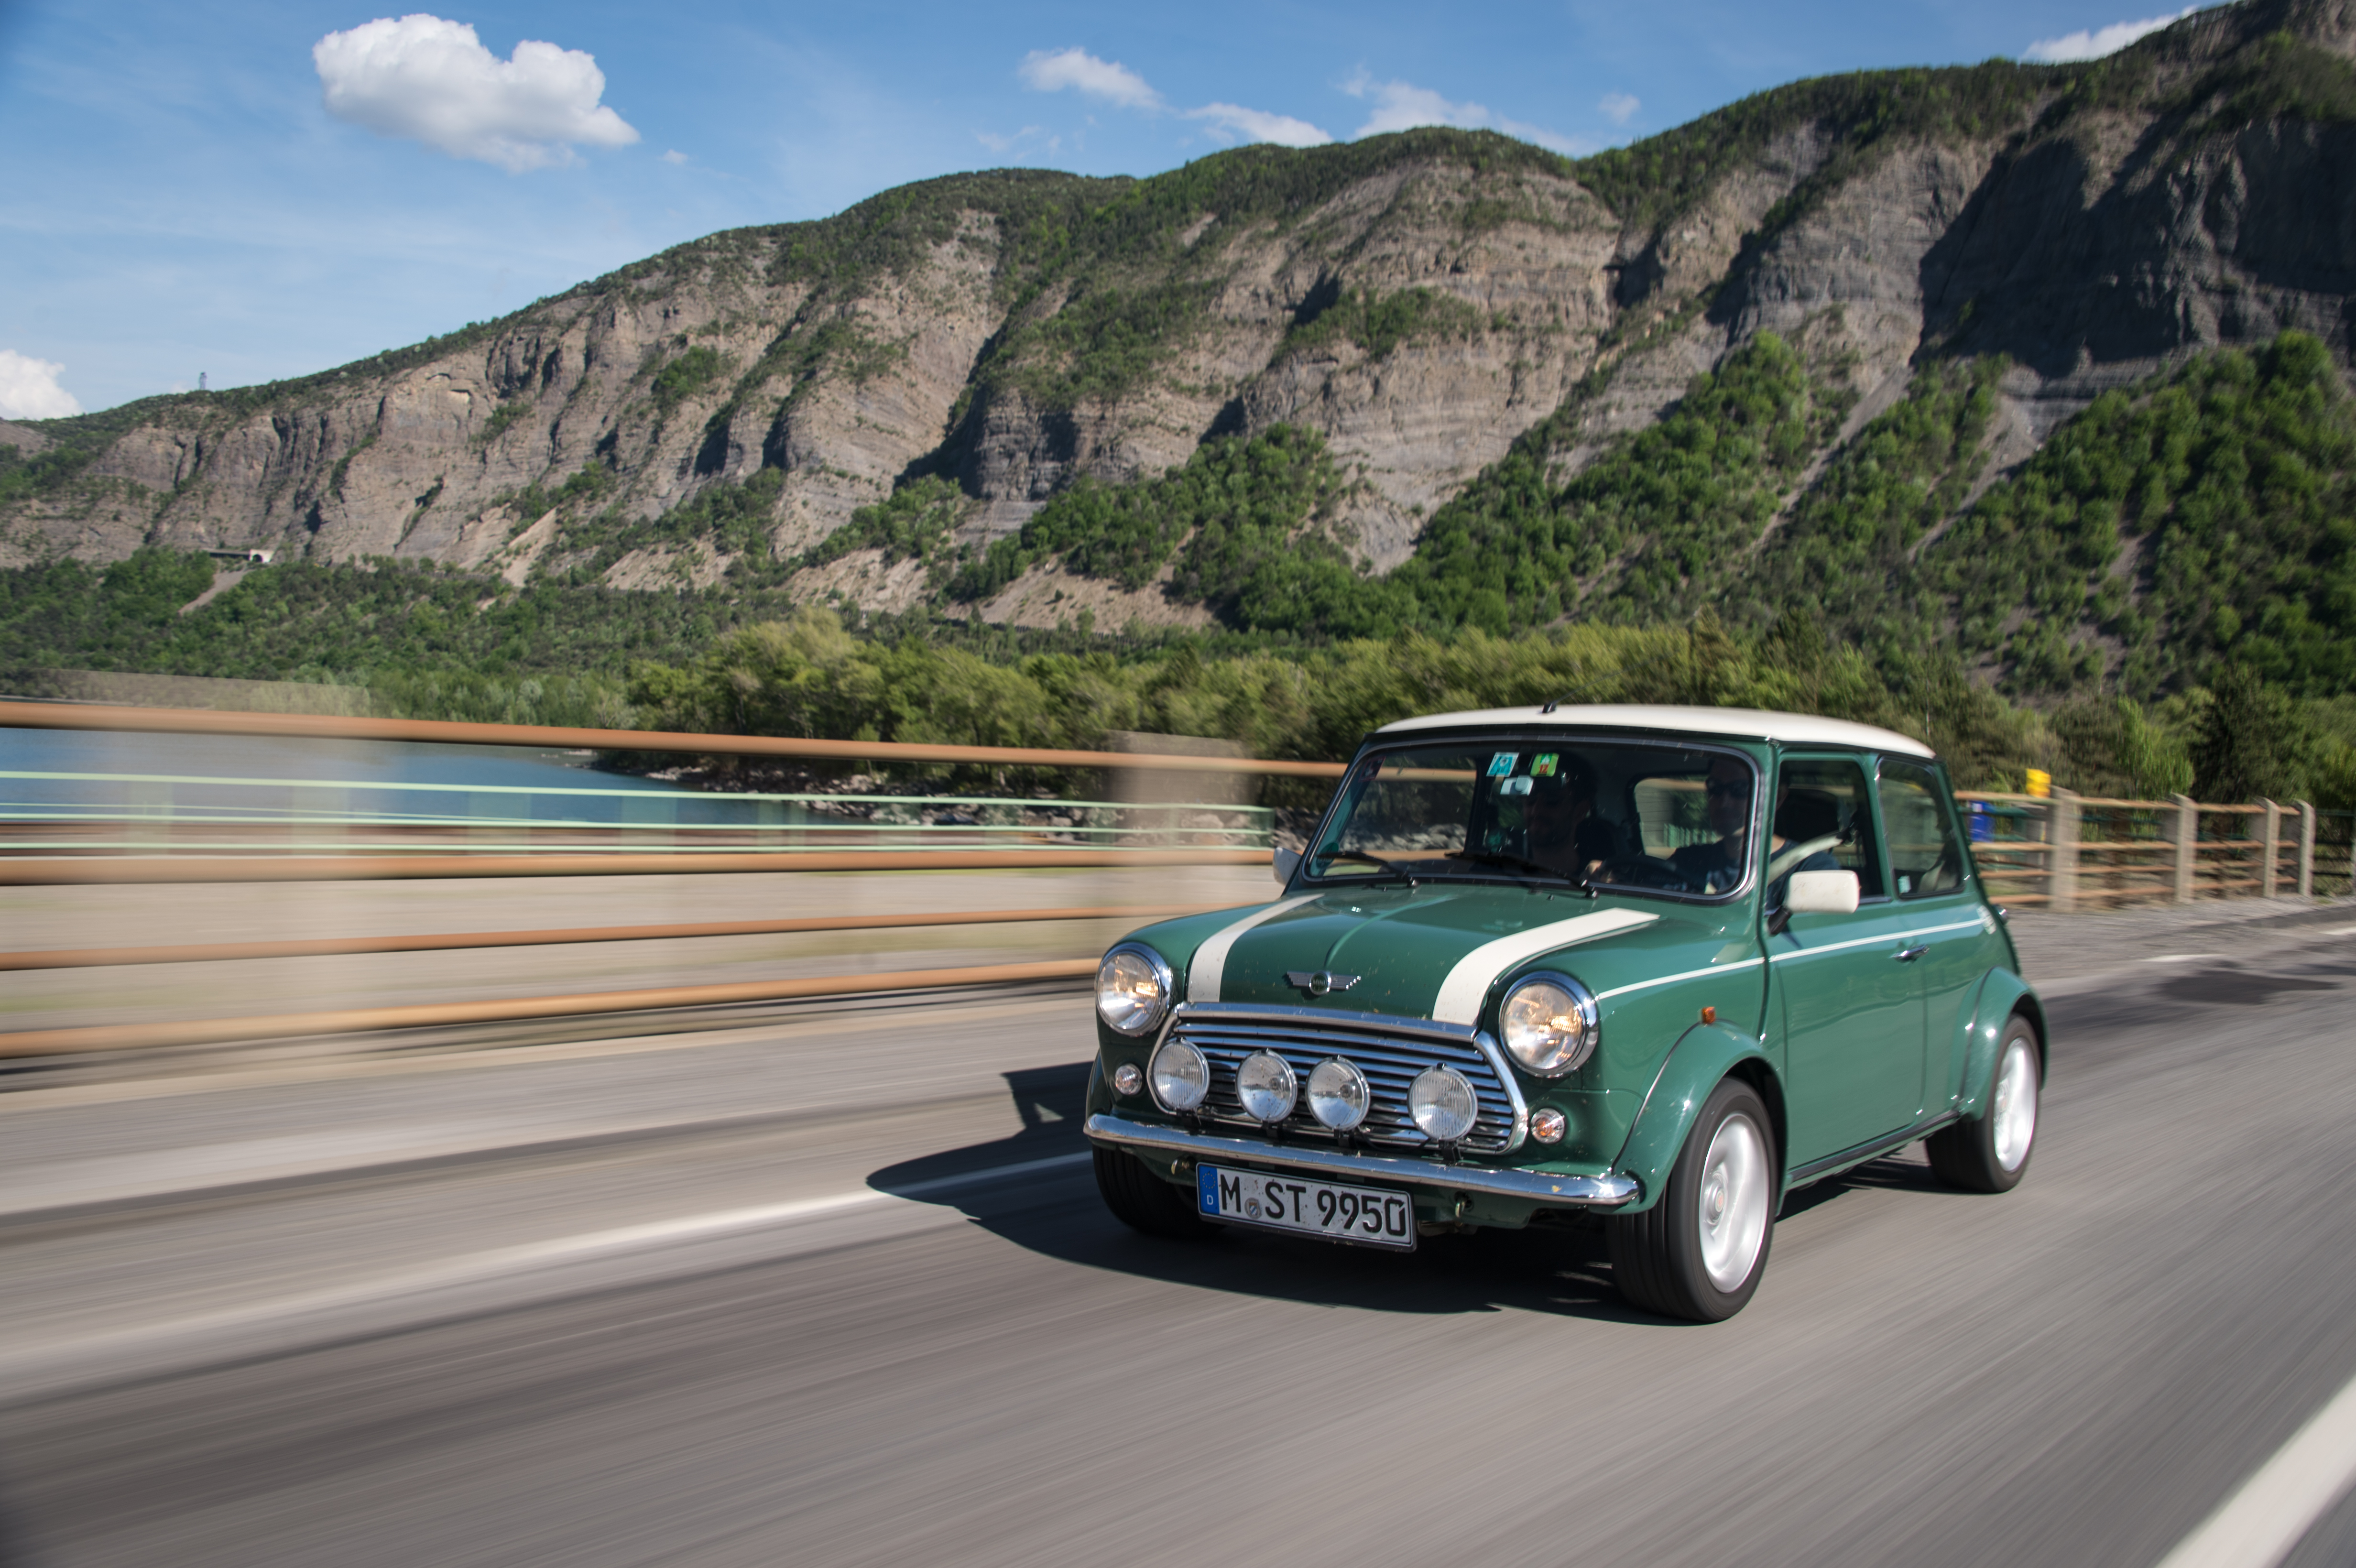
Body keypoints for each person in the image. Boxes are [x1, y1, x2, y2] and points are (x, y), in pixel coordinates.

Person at [1666, 755, 1756, 893]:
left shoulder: (1797, 866)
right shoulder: (1688, 860)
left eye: (1740, 789)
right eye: (1715, 787)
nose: (1724, 802)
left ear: (1778, 797)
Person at [1525, 754, 1621, 875]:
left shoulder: (1595, 882)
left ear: (1580, 811)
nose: (1535, 811)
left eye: (1551, 801)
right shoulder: (1498, 873)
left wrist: (1602, 883)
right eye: (1530, 800)